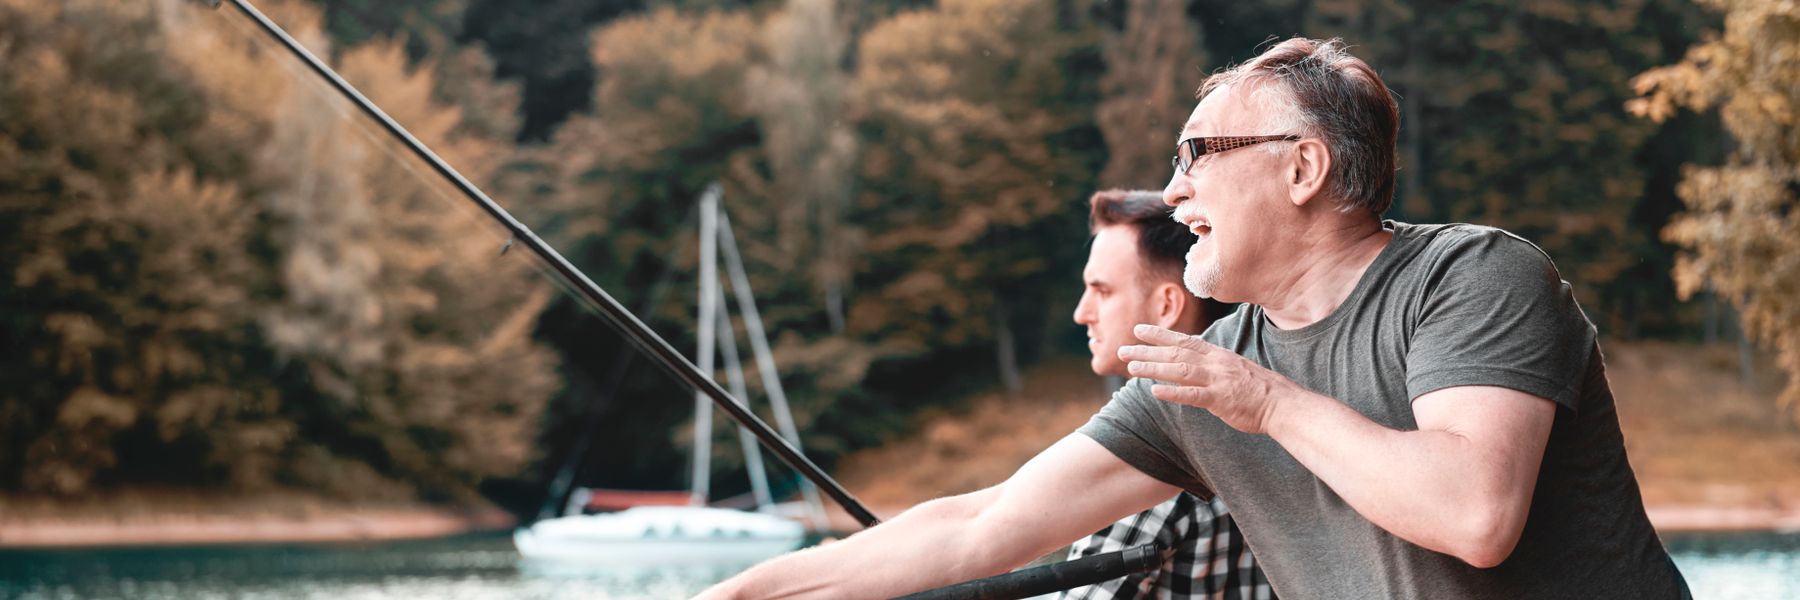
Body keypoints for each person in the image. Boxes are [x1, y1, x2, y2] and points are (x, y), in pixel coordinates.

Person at [698, 37, 1689, 600]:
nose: (1174, 194)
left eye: (1196, 155)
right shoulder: (1208, 374)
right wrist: (742, 596)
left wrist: (1263, 403)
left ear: (1303, 169)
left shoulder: (1475, 276)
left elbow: (1474, 517)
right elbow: (974, 527)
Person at [1066, 189, 1269, 599]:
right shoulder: (1265, 421)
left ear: (1166, 306)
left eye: (1102, 291)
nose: (1082, 312)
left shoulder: (1149, 453)